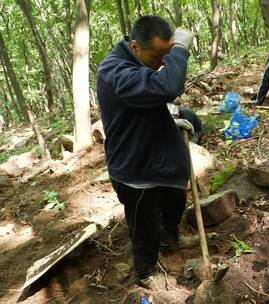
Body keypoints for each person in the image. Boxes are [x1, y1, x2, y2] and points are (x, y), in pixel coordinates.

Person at [96, 16, 195, 288]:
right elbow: (167, 87)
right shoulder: (114, 71)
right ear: (136, 46)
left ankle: (170, 240)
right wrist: (180, 51)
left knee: (174, 203)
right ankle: (145, 272)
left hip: (158, 156)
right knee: (144, 228)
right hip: (135, 167)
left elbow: (142, 103)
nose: (162, 63)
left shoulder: (136, 62)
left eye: (166, 56)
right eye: (158, 56)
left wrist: (174, 120)